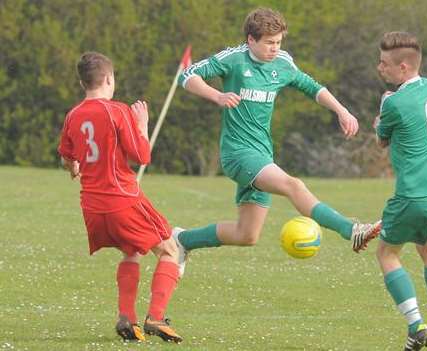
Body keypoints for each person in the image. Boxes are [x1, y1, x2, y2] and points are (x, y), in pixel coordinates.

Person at [174, 7, 381, 258]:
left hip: (263, 155)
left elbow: (311, 87)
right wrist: (217, 95)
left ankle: (182, 239)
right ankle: (351, 230)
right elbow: (188, 75)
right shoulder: (234, 59)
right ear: (251, 39)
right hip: (238, 154)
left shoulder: (282, 63)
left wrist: (341, 110)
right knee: (293, 185)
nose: (275, 48)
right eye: (269, 43)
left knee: (246, 235)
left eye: (279, 42)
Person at [58, 52, 184, 343]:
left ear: (82, 82)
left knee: (132, 250)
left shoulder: (73, 115)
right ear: (109, 79)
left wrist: (74, 167)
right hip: (122, 199)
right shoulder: (117, 111)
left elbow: (67, 156)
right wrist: (142, 124)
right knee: (169, 250)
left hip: (91, 206)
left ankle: (127, 317)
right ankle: (155, 317)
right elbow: (142, 156)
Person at [374, 32, 427, 351]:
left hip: (414, 194)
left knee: (387, 253)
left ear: (404, 67)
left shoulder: (395, 102)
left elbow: (382, 140)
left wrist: (380, 114)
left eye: (384, 63)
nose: (379, 67)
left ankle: (416, 326)